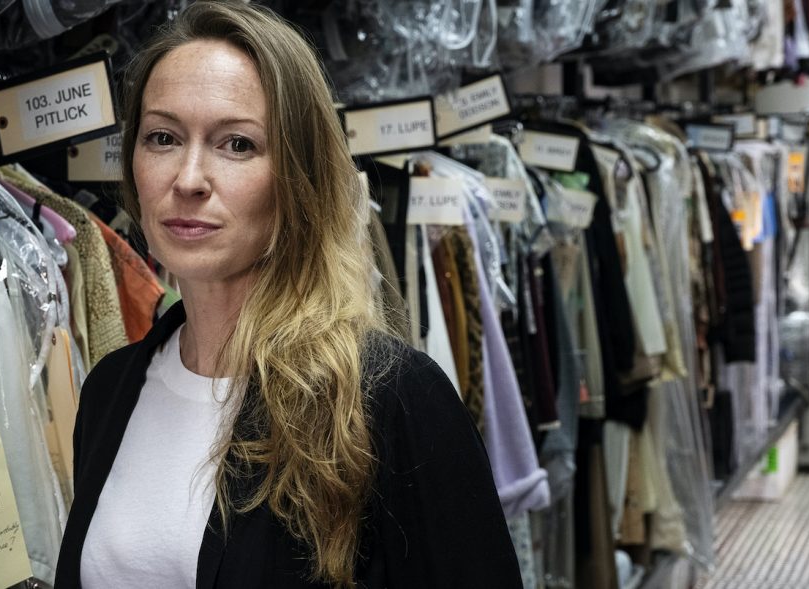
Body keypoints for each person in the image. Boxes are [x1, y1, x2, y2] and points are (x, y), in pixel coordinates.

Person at [55, 2, 522, 588]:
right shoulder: (111, 390)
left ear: (298, 176)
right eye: (163, 137)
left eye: (237, 145)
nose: (190, 178)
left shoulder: (389, 399)